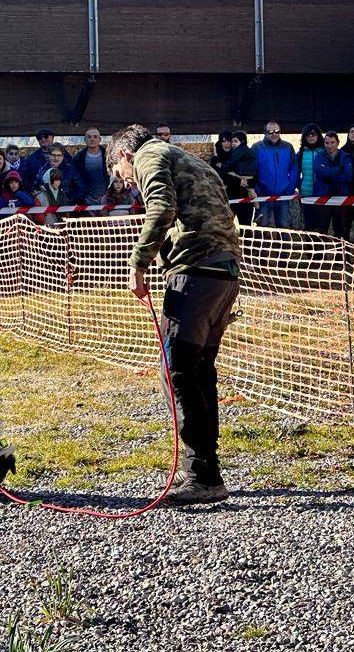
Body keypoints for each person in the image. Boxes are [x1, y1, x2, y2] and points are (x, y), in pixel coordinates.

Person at [108, 124, 240, 506]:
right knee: (200, 371)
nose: (127, 182)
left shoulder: (148, 155)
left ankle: (203, 475)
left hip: (195, 274)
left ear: (125, 156)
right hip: (224, 271)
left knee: (177, 371)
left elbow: (162, 207)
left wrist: (138, 263)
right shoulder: (189, 160)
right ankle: (202, 466)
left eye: (121, 174)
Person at [254, 120, 297, 228]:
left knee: (284, 226)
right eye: (270, 132)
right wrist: (258, 189)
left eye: (277, 131)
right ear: (265, 133)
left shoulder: (288, 147)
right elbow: (252, 170)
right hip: (263, 195)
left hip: (283, 195)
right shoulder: (257, 147)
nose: (274, 134)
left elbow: (294, 169)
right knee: (262, 226)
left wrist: (290, 188)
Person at [208, 130, 256, 226]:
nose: (226, 144)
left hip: (244, 198)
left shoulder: (241, 155)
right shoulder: (215, 160)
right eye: (223, 141)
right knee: (225, 228)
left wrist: (249, 183)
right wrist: (237, 180)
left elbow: (252, 173)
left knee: (246, 228)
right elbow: (217, 176)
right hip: (226, 199)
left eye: (229, 140)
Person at [313, 131, 353, 238]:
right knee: (321, 230)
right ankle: (321, 250)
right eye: (327, 143)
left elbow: (348, 176)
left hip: (341, 197)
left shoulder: (346, 156)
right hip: (323, 197)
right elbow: (320, 172)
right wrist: (339, 170)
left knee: (341, 230)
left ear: (338, 142)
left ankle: (341, 250)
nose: (329, 145)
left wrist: (328, 175)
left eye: (332, 142)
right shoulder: (319, 156)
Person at [296, 124, 325, 232]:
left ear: (318, 135)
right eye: (307, 135)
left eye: (313, 134)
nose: (310, 137)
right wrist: (300, 186)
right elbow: (295, 173)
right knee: (309, 227)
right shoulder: (301, 154)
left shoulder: (324, 152)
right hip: (306, 195)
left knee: (322, 228)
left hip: (323, 195)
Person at [72, 127, 110, 206]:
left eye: (95, 137)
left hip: (107, 200)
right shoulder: (78, 158)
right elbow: (74, 180)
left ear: (100, 139)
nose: (92, 139)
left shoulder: (108, 156)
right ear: (85, 139)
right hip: (85, 202)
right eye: (89, 137)